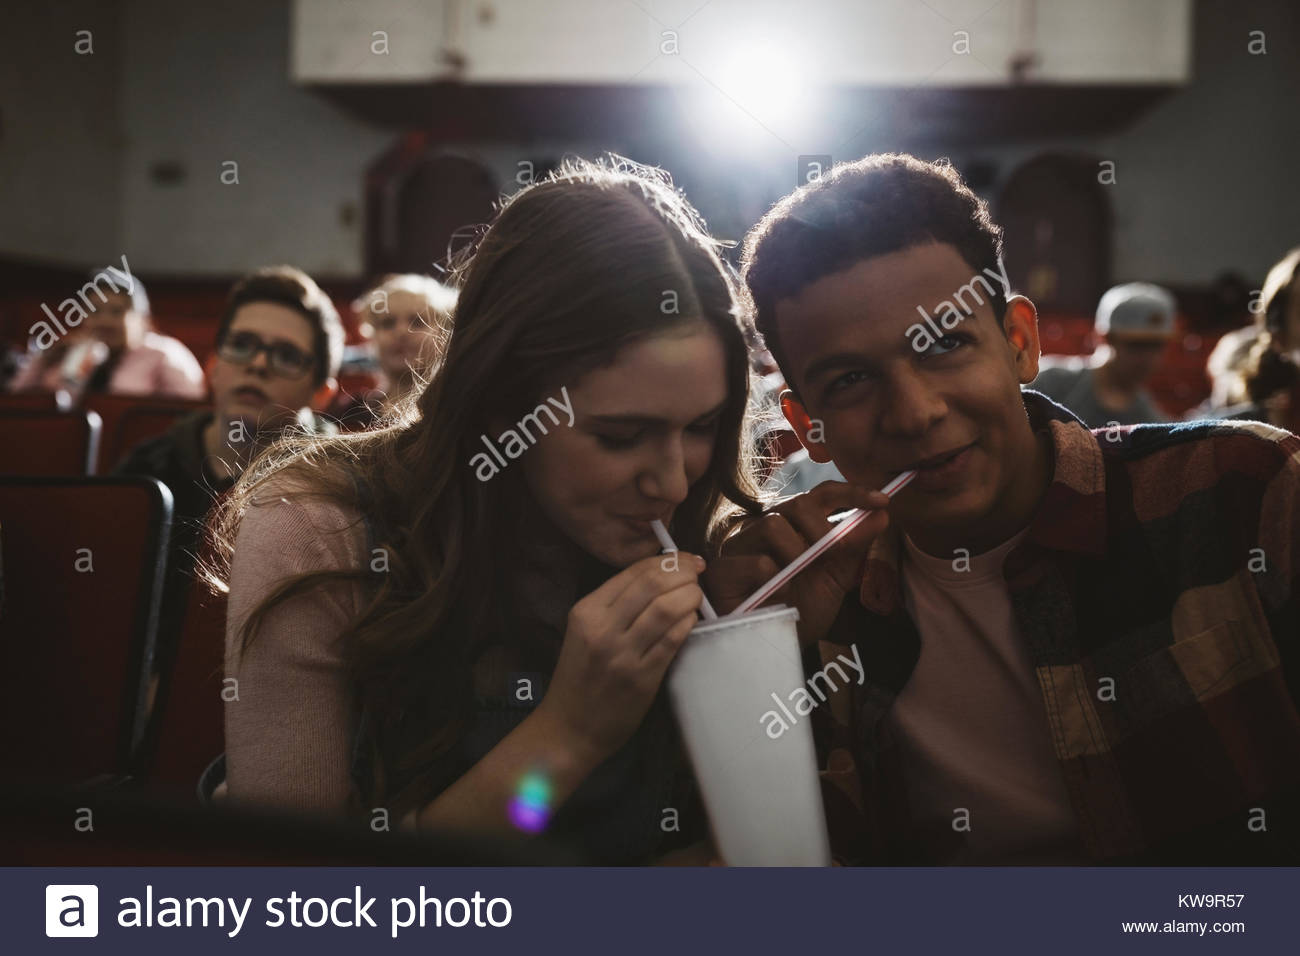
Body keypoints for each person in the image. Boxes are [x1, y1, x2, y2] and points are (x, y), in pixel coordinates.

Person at [705, 153, 1299, 865]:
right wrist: (737, 663)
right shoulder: (815, 621)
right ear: (810, 429)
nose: (916, 413)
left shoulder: (1245, 493)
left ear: (1020, 343)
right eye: (853, 380)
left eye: (945, 345)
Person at [204, 159, 763, 865]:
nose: (675, 483)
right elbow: (298, 903)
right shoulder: (321, 530)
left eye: (702, 426)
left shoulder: (709, 542)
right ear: (501, 405)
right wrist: (569, 735)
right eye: (620, 436)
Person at [113, 265, 343, 643]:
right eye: (242, 344)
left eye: (287, 355)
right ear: (214, 368)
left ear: (321, 394)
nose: (257, 364)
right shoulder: (144, 469)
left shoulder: (339, 485)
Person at [8, 268, 205, 399]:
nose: (104, 321)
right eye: (95, 311)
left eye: (117, 312)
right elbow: (17, 400)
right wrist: (44, 358)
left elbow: (188, 408)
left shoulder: (165, 353)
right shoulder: (71, 352)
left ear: (143, 319)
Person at [1031, 282, 1175, 427]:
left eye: (1157, 346)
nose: (1149, 358)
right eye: (1137, 345)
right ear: (1104, 338)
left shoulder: (1149, 418)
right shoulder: (1049, 383)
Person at [350, 273, 458, 420]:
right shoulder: (351, 414)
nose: (401, 332)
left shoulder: (457, 409)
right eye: (388, 323)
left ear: (445, 333)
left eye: (418, 321)